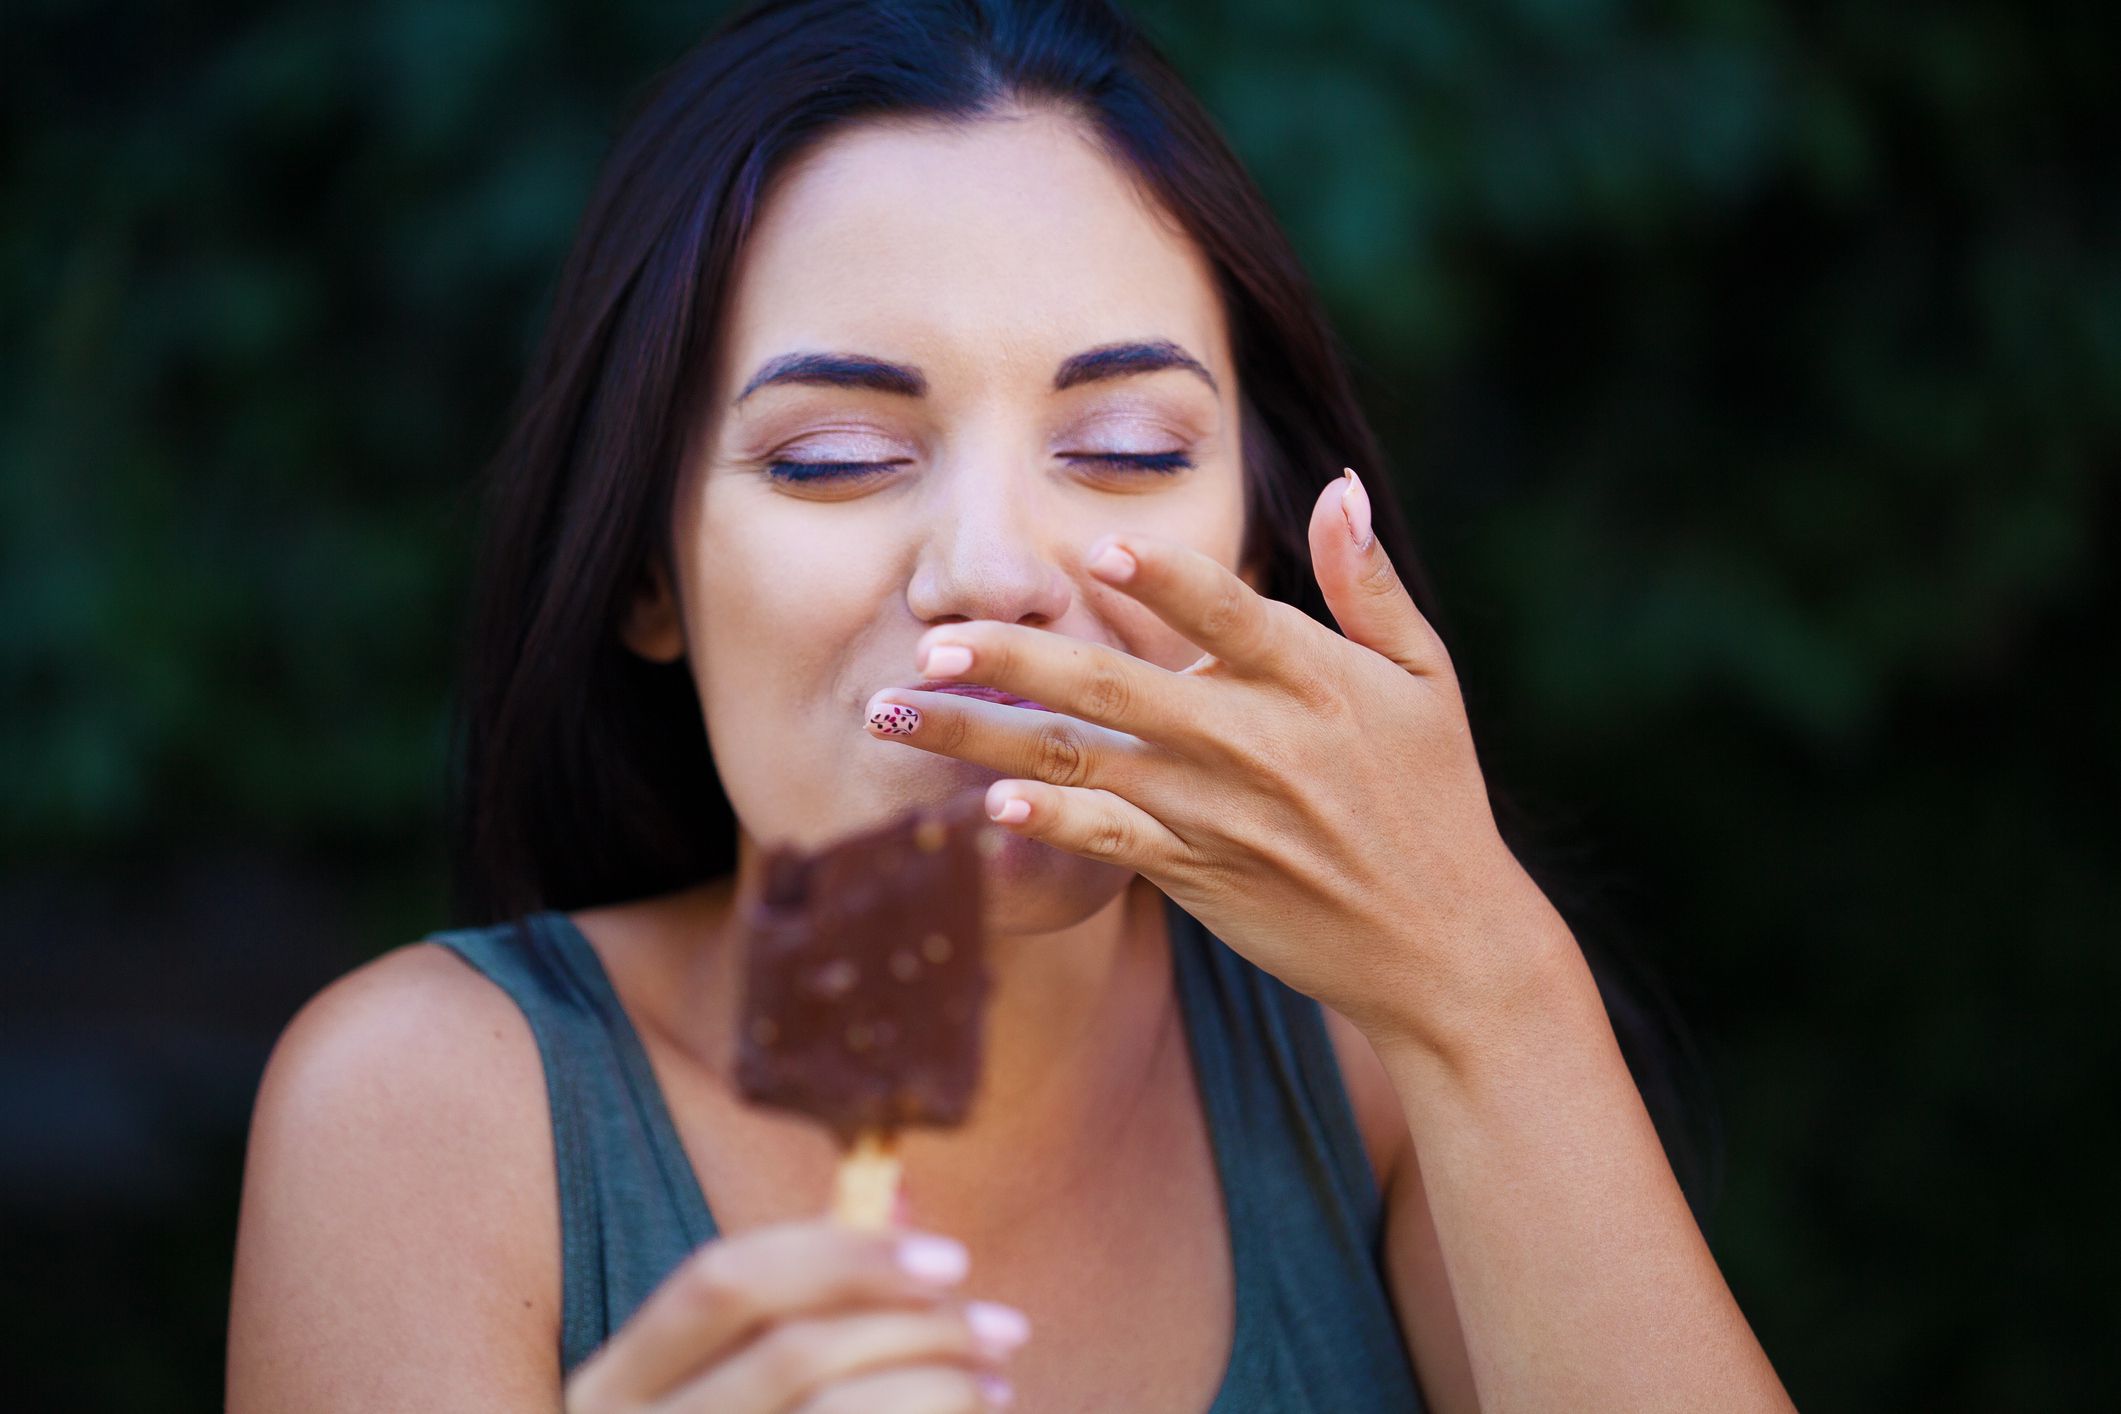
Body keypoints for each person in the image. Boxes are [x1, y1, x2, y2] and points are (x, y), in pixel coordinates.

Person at [227, 1, 1794, 1409]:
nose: (989, 571)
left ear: (1253, 540)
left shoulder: (1377, 1069)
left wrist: (1490, 985)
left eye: (1122, 446)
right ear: (647, 570)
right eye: (833, 456)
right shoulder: (423, 1116)